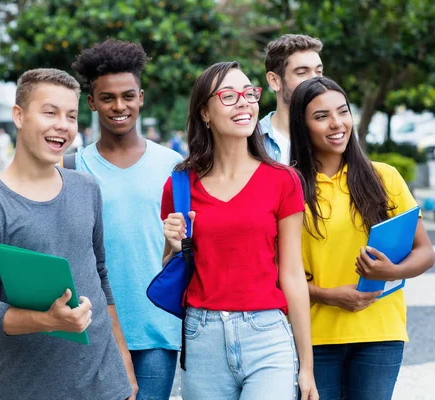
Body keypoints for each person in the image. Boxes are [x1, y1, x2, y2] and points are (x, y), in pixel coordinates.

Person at [0, 68, 137, 400]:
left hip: (105, 383)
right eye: (50, 112)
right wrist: (47, 320)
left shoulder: (86, 188)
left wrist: (122, 363)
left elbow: (99, 276)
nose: (63, 125)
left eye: (71, 115)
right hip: (31, 388)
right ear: (19, 115)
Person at [161, 61, 318, 400]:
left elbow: (292, 275)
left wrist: (306, 366)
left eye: (249, 93)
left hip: (268, 334)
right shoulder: (179, 186)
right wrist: (174, 245)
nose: (244, 103)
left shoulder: (283, 180)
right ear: (205, 111)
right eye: (229, 96)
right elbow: (172, 269)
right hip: (202, 337)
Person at [289, 76, 435, 400]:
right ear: (302, 125)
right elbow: (273, 273)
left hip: (379, 335)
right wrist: (327, 295)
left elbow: (425, 251)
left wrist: (391, 272)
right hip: (312, 339)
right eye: (321, 116)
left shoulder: (384, 177)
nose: (337, 123)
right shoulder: (287, 186)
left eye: (343, 111)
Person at [71, 39, 182, 400]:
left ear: (141, 97)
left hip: (157, 331)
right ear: (92, 103)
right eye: (107, 98)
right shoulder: (73, 167)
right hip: (93, 329)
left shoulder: (173, 166)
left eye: (128, 96)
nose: (119, 106)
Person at [260, 34, 324, 164]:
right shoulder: (251, 140)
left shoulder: (333, 134)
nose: (315, 80)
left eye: (318, 72)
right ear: (274, 81)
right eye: (302, 73)